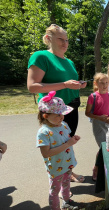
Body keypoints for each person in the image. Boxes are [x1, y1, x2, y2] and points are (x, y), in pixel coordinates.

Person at [27, 24, 86, 183]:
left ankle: (68, 172)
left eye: (66, 40)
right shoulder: (41, 56)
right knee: (54, 145)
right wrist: (65, 84)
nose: (65, 43)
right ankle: (57, 180)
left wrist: (78, 85)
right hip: (54, 111)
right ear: (48, 39)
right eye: (60, 39)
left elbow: (67, 82)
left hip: (72, 107)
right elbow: (32, 86)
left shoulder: (70, 62)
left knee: (69, 140)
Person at [36, 91, 80, 210]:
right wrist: (68, 144)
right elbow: (46, 153)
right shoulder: (43, 133)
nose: (62, 116)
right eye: (58, 115)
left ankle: (66, 202)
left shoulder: (64, 124)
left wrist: (73, 139)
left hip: (67, 162)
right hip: (56, 167)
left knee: (66, 185)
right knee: (54, 191)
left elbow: (66, 139)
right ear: (46, 116)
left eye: (62, 113)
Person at [85, 73, 109, 181]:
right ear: (96, 83)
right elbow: (87, 113)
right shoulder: (92, 96)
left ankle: (107, 169)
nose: (104, 85)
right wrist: (98, 117)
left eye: (106, 82)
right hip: (98, 124)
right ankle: (96, 169)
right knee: (103, 147)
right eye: (101, 83)